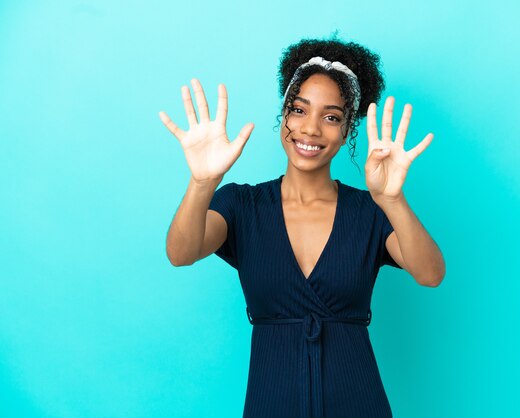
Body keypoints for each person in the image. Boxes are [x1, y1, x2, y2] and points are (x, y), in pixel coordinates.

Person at [160, 37, 445, 418]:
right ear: (285, 114)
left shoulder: (370, 212)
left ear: (347, 131)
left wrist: (392, 200)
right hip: (270, 404)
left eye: (331, 117)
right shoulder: (242, 206)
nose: (310, 129)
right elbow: (181, 252)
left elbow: (430, 274)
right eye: (299, 109)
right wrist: (202, 183)